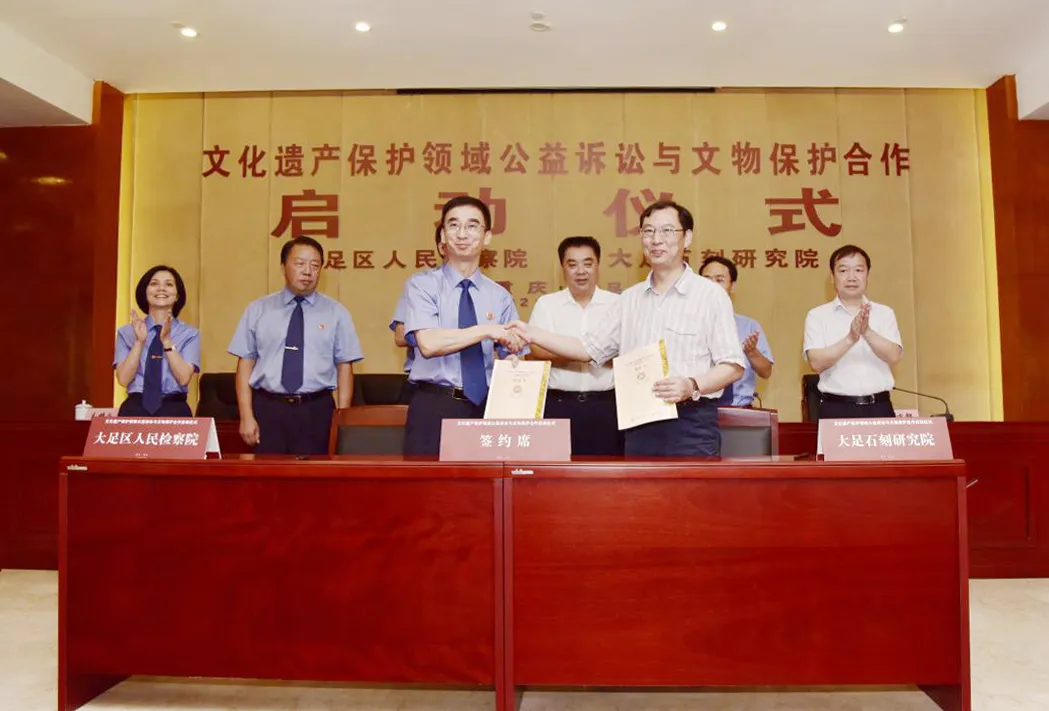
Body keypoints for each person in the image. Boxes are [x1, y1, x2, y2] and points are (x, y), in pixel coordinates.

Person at [510, 201, 744, 457]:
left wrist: (691, 384)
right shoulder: (629, 299)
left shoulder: (710, 295)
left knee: (690, 486)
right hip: (638, 423)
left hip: (690, 424)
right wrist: (532, 333)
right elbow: (587, 348)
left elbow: (733, 365)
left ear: (687, 237)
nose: (656, 239)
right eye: (648, 231)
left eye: (667, 231)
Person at [402, 195, 525, 455]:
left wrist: (514, 362)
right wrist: (487, 330)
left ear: (487, 236)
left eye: (472, 226)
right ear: (443, 235)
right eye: (454, 225)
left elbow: (513, 356)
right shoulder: (422, 286)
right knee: (427, 481)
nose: (462, 234)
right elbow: (429, 344)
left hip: (487, 407)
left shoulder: (500, 296)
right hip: (434, 405)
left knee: (485, 482)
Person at [228, 236, 363, 454]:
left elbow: (344, 367)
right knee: (267, 474)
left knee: (315, 475)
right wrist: (246, 416)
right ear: (284, 266)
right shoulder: (258, 310)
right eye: (300, 263)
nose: (308, 272)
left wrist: (342, 420)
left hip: (316, 410)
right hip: (268, 409)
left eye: (315, 265)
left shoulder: (336, 313)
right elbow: (245, 364)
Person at [528, 236, 623, 455]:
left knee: (607, 471)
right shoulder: (547, 304)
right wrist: (591, 354)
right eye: (573, 264)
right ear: (563, 267)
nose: (581, 271)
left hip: (606, 406)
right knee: (557, 471)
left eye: (588, 264)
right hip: (558, 404)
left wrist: (562, 351)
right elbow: (537, 350)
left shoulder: (617, 304)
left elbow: (624, 352)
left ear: (598, 265)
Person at [804, 244, 902, 419]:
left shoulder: (884, 313)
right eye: (843, 270)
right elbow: (816, 363)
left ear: (867, 275)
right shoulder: (817, 315)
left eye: (858, 270)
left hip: (880, 407)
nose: (851, 277)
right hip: (836, 408)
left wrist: (867, 332)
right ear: (832, 278)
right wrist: (850, 338)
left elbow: (894, 356)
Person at [113, 265, 200, 417]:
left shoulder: (189, 334)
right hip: (135, 408)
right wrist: (139, 342)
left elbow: (184, 378)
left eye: (169, 284)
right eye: (154, 284)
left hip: (174, 408)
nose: (161, 288)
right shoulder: (126, 332)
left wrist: (167, 342)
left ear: (178, 295)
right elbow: (123, 379)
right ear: (144, 292)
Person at [698, 255, 774, 407]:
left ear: (732, 286)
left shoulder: (749, 326)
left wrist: (752, 352)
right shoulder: (686, 325)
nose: (712, 286)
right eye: (707, 280)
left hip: (738, 410)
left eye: (719, 280)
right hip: (697, 410)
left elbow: (766, 372)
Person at [390, 225, 446, 377]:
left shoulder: (492, 292)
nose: (463, 238)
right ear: (442, 247)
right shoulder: (420, 284)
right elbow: (400, 336)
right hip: (428, 382)